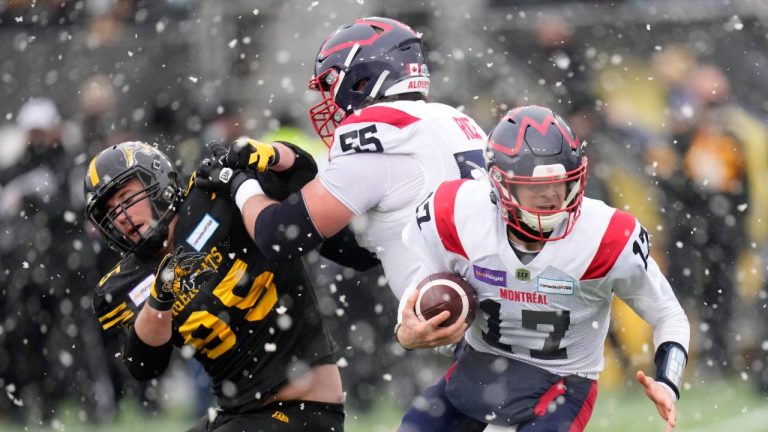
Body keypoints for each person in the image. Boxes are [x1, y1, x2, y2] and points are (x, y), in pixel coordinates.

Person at [394, 106, 691, 432]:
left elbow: (668, 315)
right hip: (479, 367)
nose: (551, 195)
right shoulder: (459, 212)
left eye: (559, 183)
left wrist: (668, 382)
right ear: (500, 184)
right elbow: (424, 278)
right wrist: (405, 330)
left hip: (564, 383)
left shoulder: (606, 236)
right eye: (535, 185)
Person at [85, 140, 371, 431]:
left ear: (156, 183)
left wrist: (272, 153)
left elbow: (301, 174)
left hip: (305, 408)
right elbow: (144, 365)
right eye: (110, 210)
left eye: (126, 197)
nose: (120, 215)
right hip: (236, 414)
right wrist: (161, 298)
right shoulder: (127, 284)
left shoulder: (217, 195)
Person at [218, 16, 488, 299]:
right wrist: (295, 178)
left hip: (448, 313)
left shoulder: (381, 137)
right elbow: (361, 252)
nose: (329, 99)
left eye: (331, 83)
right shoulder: (452, 120)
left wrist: (239, 184)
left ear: (361, 79)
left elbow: (277, 236)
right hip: (489, 297)